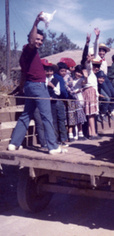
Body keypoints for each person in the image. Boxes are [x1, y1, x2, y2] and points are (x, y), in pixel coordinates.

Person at [8, 12, 66, 155]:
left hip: (29, 87)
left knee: (26, 115)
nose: (39, 42)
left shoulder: (26, 55)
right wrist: (36, 22)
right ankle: (52, 147)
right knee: (46, 116)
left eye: (41, 40)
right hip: (38, 87)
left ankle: (13, 143)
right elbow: (32, 41)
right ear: (30, 39)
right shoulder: (30, 49)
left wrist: (19, 89)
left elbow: (23, 76)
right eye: (37, 39)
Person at [54, 62, 69, 146]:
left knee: (55, 120)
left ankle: (56, 139)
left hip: (52, 100)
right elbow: (62, 91)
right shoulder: (59, 78)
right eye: (62, 71)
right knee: (61, 119)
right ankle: (63, 139)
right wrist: (66, 97)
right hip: (59, 100)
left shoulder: (54, 76)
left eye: (65, 71)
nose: (64, 73)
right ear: (58, 70)